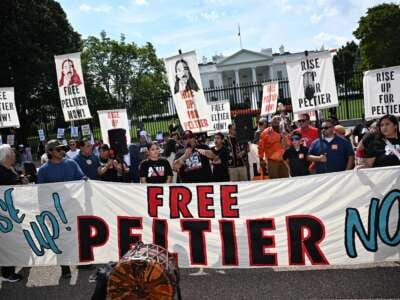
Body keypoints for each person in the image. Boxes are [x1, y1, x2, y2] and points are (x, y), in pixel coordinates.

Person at [37, 140, 85, 278]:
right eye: (58, 150)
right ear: (50, 152)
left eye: (63, 149)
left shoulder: (71, 163)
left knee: (77, 233)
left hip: (72, 205)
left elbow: (81, 178)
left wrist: (86, 181)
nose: (62, 151)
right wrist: (43, 211)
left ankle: (81, 261)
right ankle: (64, 267)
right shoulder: (44, 170)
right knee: (60, 238)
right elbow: (41, 192)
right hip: (55, 210)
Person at [0, 144, 27, 283]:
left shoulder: (9, 168)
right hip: (5, 214)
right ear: (7, 156)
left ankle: (12, 265)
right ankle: (7, 273)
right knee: (7, 242)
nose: (15, 155)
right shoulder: (1, 171)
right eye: (13, 153)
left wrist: (21, 178)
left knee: (13, 240)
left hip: (13, 211)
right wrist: (18, 181)